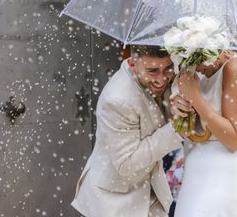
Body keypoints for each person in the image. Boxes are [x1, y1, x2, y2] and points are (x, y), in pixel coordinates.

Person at [71, 45, 183, 217]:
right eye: (152, 71)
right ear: (132, 64)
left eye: (167, 68)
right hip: (115, 201)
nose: (162, 79)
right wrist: (175, 129)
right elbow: (127, 163)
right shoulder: (118, 100)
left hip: (148, 194)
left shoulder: (163, 78)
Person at [172, 50, 237, 217]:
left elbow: (233, 140)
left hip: (220, 180)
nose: (193, 66)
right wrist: (180, 112)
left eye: (191, 57)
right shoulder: (202, 75)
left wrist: (195, 97)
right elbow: (189, 133)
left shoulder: (236, 67)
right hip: (195, 176)